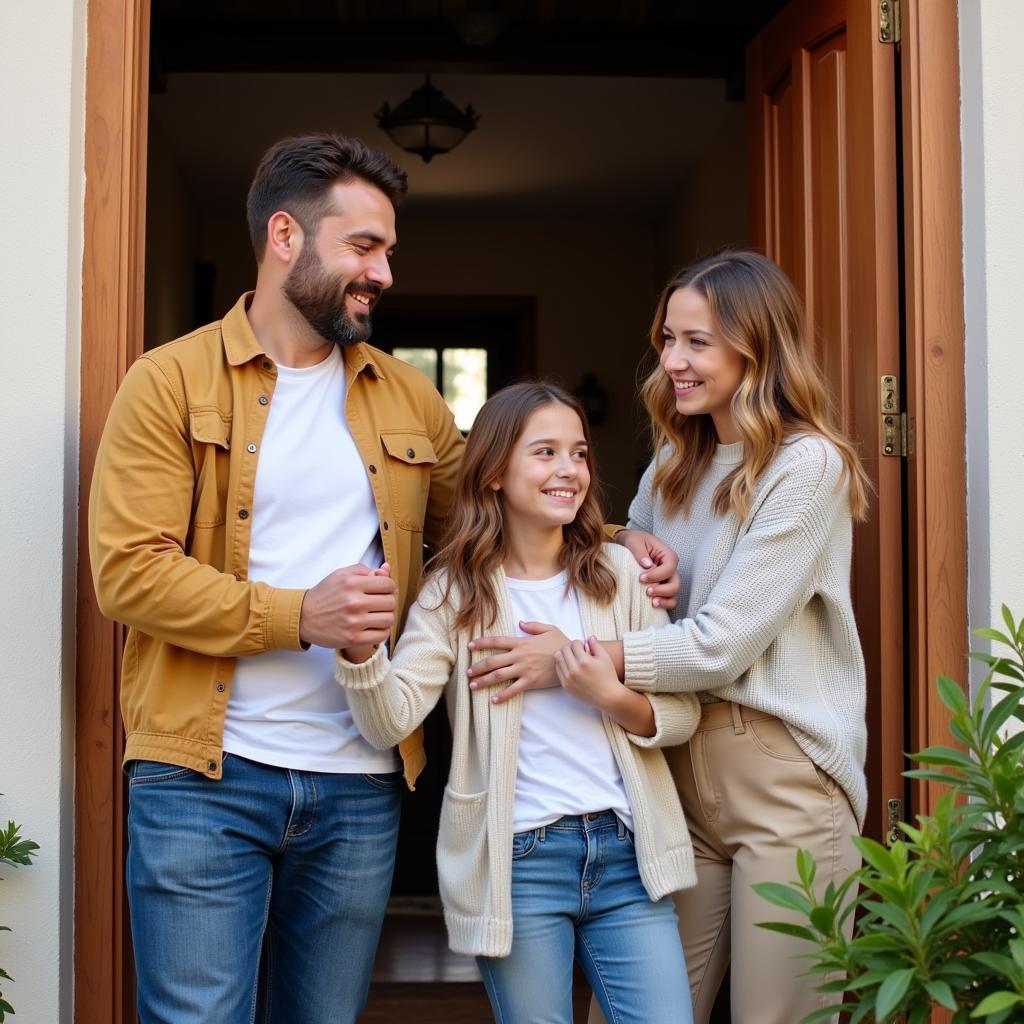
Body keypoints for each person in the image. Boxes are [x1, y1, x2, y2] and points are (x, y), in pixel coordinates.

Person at [88, 133, 467, 1024]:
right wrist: (304, 615)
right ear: (286, 236)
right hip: (202, 782)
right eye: (364, 247)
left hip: (359, 787)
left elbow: (490, 523)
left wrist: (610, 542)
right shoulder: (168, 384)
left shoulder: (409, 400)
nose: (383, 273)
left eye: (388, 252)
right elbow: (129, 574)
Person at [468, 251, 869, 1024]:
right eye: (668, 339)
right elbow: (609, 585)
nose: (673, 361)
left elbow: (722, 644)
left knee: (774, 1017)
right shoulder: (671, 467)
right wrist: (620, 538)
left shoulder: (807, 466)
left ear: (756, 348)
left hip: (780, 781)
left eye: (697, 343)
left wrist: (578, 661)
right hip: (667, 773)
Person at [334, 381, 700, 1024]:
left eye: (579, 453)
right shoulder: (454, 595)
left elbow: (681, 715)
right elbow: (390, 720)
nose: (570, 471)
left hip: (627, 856)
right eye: (546, 453)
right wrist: (362, 655)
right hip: (518, 864)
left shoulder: (620, 577)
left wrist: (603, 690)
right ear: (496, 471)